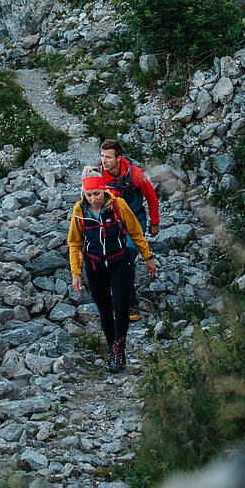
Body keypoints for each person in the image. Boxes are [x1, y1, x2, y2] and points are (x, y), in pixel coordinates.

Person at [66, 174, 156, 373]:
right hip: (94, 266)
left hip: (119, 262)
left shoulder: (119, 205)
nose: (93, 199)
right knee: (104, 309)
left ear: (104, 190)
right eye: (89, 195)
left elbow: (135, 232)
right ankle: (112, 348)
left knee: (121, 307)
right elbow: (74, 243)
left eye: (97, 194)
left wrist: (147, 257)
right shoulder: (80, 211)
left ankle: (119, 347)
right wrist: (76, 273)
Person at [98, 139, 159, 320]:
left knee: (128, 258)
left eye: (108, 157)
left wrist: (154, 222)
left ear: (119, 158)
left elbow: (151, 197)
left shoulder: (136, 174)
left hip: (135, 219)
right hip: (114, 221)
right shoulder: (100, 175)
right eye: (102, 156)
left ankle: (131, 304)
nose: (104, 161)